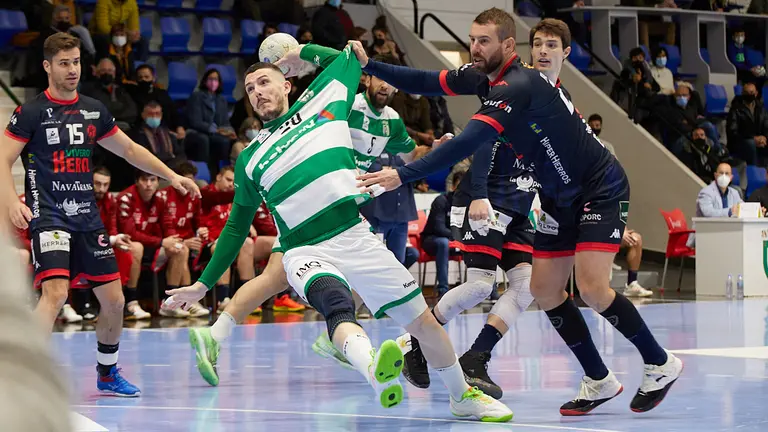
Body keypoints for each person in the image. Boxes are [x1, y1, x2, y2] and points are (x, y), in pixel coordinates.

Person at [355, 7, 683, 415]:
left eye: (485, 40)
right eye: (472, 39)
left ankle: (659, 362)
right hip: (554, 198)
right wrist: (372, 65)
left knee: (593, 289)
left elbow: (465, 143)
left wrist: (401, 175)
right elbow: (428, 81)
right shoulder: (485, 78)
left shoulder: (517, 86)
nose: (475, 47)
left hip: (599, 188)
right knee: (544, 289)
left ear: (508, 45)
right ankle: (598, 379)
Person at [164, 43, 513, 421]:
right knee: (337, 305)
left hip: (354, 235)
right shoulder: (250, 158)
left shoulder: (323, 101)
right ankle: (375, 373)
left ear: (287, 86)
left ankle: (461, 396)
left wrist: (302, 52)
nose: (258, 92)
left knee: (424, 325)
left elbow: (347, 57)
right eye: (250, 89)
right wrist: (202, 284)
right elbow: (235, 227)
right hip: (303, 249)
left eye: (265, 82)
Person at [0, 32, 199, 397]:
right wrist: (11, 201)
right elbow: (2, 157)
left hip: (87, 220)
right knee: (56, 294)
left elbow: (130, 150)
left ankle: (107, 373)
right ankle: (22, 378)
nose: (72, 69)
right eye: (64, 63)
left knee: (115, 300)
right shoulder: (30, 112)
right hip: (49, 216)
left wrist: (172, 176)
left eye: (76, 61)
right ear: (47, 67)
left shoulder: (93, 109)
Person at [117, 171, 206, 318]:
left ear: (158, 182)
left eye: (152, 180)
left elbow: (167, 224)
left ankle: (171, 303)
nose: (148, 184)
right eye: (145, 180)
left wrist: (174, 240)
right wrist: (161, 242)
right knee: (136, 247)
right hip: (129, 246)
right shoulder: (126, 198)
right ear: (137, 181)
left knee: (180, 249)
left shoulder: (159, 199)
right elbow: (130, 233)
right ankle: (131, 302)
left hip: (153, 247)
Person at [93, 166, 148, 319]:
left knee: (130, 249)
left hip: (104, 242)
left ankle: (128, 301)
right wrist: (111, 240)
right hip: (85, 243)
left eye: (105, 185)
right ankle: (98, 305)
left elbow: (112, 228)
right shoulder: (82, 199)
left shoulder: (110, 199)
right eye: (97, 184)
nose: (101, 189)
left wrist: (117, 238)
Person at [159, 162, 210, 318]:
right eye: (186, 180)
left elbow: (198, 221)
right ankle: (171, 302)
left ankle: (185, 301)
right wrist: (184, 242)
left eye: (192, 180)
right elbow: (167, 228)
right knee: (182, 250)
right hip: (165, 243)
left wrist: (201, 230)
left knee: (191, 248)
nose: (189, 184)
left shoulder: (194, 197)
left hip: (187, 242)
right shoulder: (163, 197)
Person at [184, 68, 236, 177]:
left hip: (215, 133)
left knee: (225, 141)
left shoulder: (221, 99)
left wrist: (229, 131)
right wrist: (217, 130)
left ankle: (221, 172)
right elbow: (195, 121)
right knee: (204, 140)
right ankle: (205, 173)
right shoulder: (197, 96)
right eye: (210, 79)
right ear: (204, 80)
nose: (213, 82)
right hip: (196, 131)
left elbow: (225, 122)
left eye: (216, 79)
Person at [420, 171, 463, 298]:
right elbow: (439, 228)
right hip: (432, 240)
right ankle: (443, 290)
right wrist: (460, 237)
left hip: (454, 240)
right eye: (459, 187)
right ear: (453, 187)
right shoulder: (441, 201)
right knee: (443, 242)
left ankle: (489, 292)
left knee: (477, 243)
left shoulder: (468, 203)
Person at [128, 64, 186, 140]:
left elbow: (173, 112)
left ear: (153, 78)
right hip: (143, 131)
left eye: (146, 77)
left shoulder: (162, 94)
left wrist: (180, 127)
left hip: (166, 128)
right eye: (140, 77)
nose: (143, 80)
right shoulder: (133, 95)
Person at [82, 57, 137, 131]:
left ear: (114, 74)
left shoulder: (121, 89)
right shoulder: (88, 89)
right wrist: (118, 109)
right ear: (97, 73)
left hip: (122, 128)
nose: (106, 73)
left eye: (109, 70)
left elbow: (132, 112)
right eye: (103, 70)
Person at [130, 101, 185, 167]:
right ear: (143, 115)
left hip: (171, 167)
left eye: (157, 114)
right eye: (150, 114)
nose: (154, 116)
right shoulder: (137, 134)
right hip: (149, 169)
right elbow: (143, 157)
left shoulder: (168, 133)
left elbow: (180, 154)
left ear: (161, 115)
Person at [726, 82, 768, 166]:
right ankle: (754, 173)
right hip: (740, 142)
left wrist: (764, 138)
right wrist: (753, 138)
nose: (749, 95)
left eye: (751, 93)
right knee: (751, 144)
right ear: (742, 94)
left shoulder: (761, 109)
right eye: (746, 93)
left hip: (759, 140)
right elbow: (732, 132)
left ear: (756, 94)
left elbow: (766, 126)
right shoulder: (735, 109)